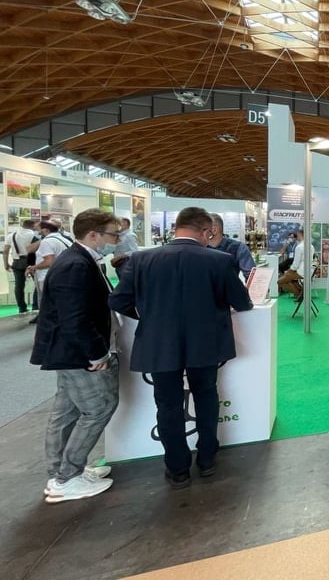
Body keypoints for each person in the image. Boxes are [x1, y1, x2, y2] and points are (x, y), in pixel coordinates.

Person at [108, 207, 253, 489]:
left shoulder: (141, 259)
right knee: (207, 397)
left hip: (159, 343)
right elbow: (242, 302)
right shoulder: (220, 260)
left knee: (167, 404)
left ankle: (177, 469)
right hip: (206, 343)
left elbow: (118, 301)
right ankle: (207, 459)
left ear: (176, 228)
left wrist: (149, 317)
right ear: (207, 231)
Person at [30, 208, 121, 504]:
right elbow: (75, 318)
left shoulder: (80, 260)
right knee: (99, 408)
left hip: (70, 351)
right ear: (94, 234)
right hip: (77, 354)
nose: (116, 240)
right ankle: (67, 477)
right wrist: (96, 353)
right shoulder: (75, 265)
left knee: (67, 412)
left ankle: (62, 472)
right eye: (112, 235)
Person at [27, 220, 74, 324]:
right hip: (63, 275)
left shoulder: (47, 242)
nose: (38, 232)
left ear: (45, 230)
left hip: (47, 276)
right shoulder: (65, 240)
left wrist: (34, 267)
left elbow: (49, 261)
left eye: (39, 229)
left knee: (49, 304)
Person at [3, 218, 40, 314]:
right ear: (32, 226)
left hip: (17, 262)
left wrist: (6, 264)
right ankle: (35, 306)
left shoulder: (11, 235)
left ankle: (22, 308)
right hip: (32, 261)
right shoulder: (34, 235)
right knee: (37, 284)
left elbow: (5, 251)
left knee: (19, 286)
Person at [207, 212, 255, 280]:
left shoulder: (238, 248)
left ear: (214, 230)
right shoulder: (198, 249)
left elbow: (252, 277)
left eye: (202, 230)